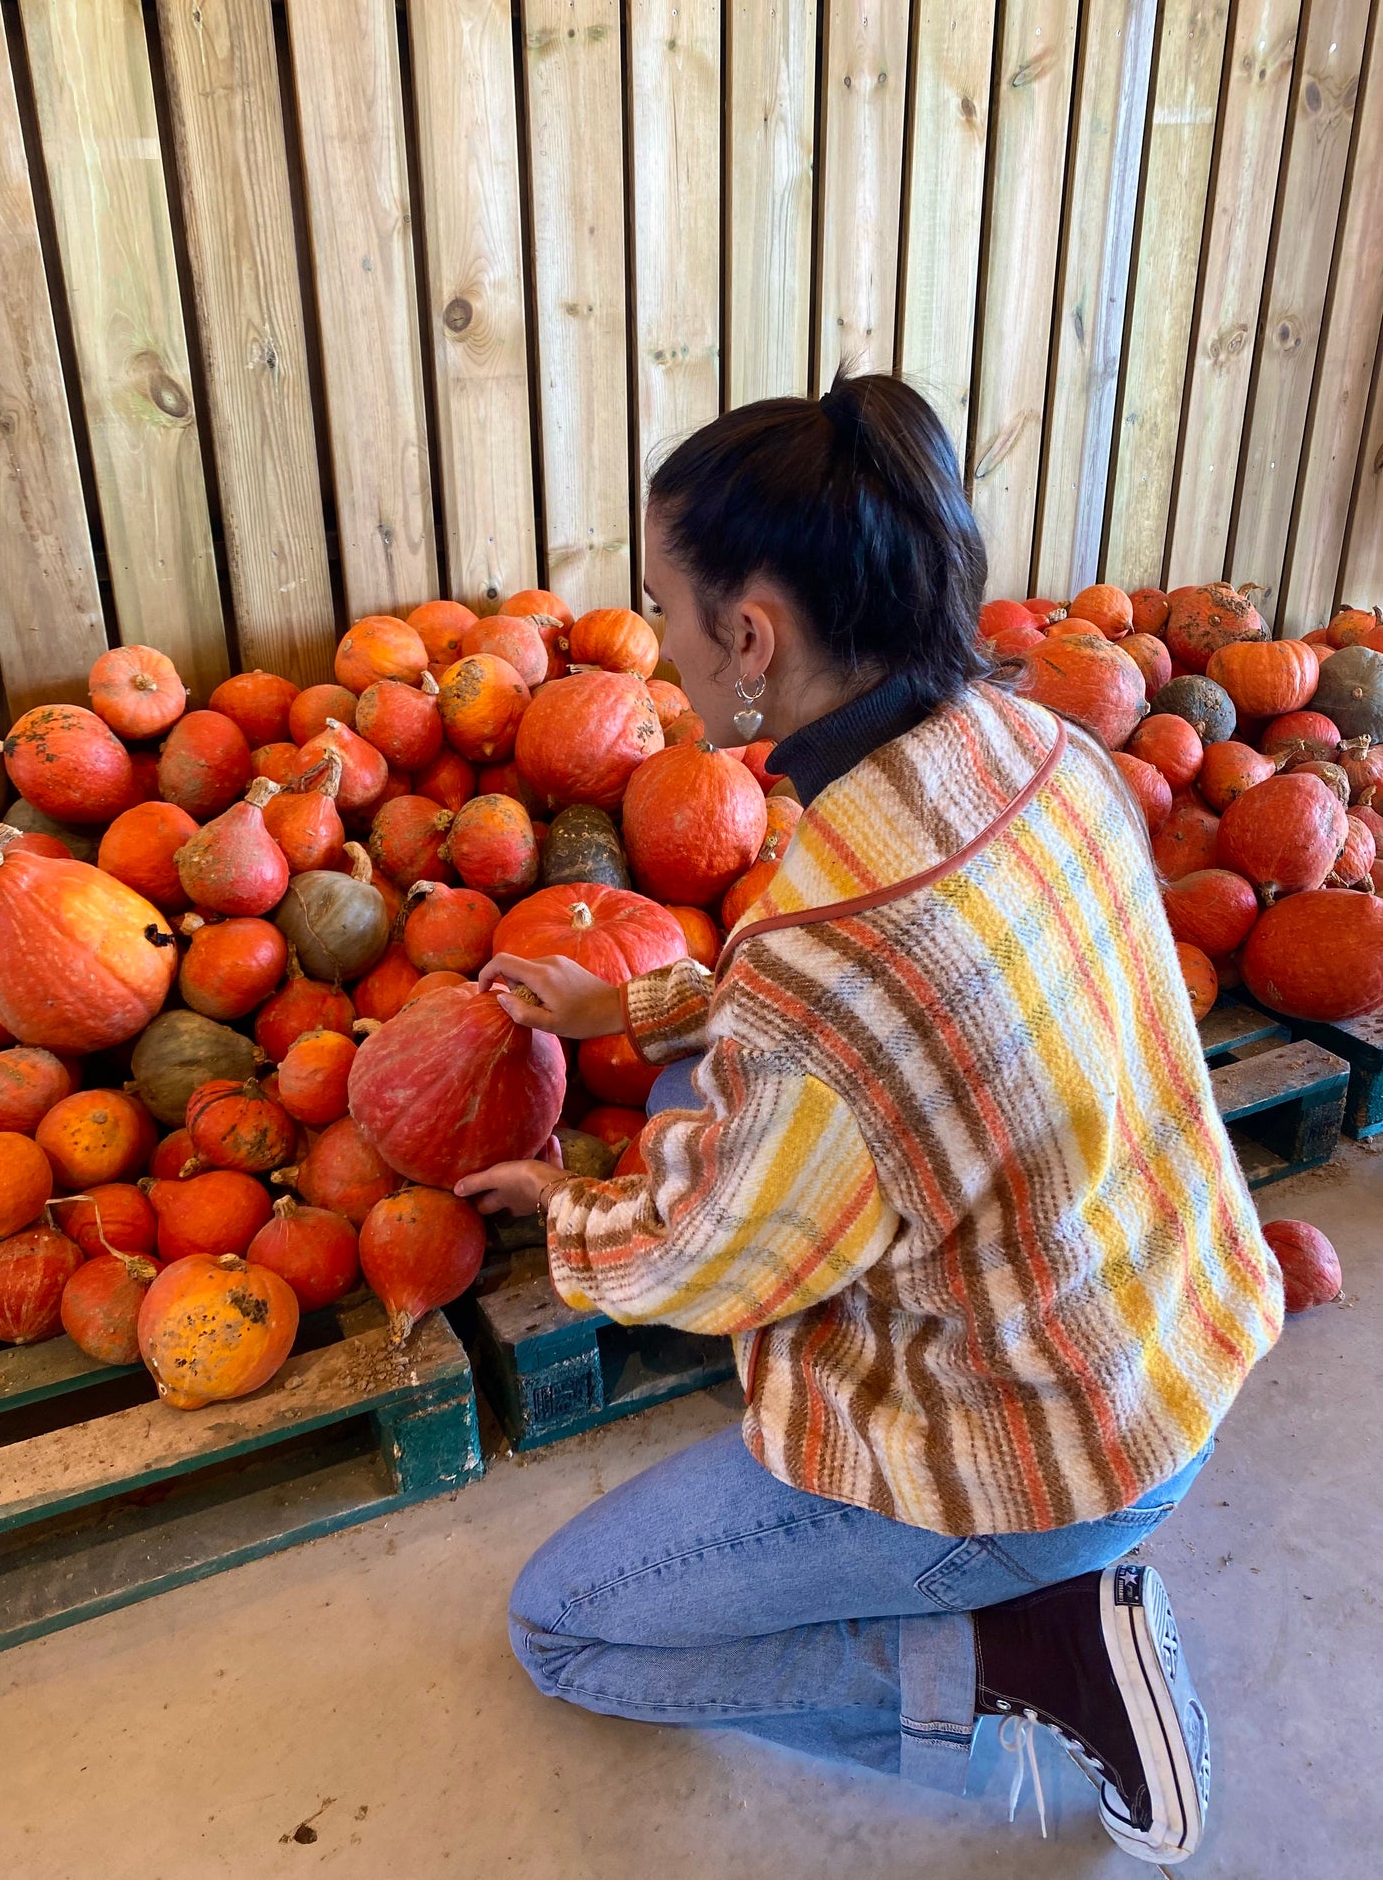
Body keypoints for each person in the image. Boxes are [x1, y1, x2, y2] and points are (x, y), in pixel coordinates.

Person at [454, 373, 1283, 1865]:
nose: (656, 644)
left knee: (565, 1633)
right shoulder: (1043, 750)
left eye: (665, 607)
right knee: (730, 1093)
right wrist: (638, 1014)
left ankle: (1026, 1662)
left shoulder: (820, 955)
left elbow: (711, 1266)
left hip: (1040, 1459)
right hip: (1167, 1347)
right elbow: (886, 1014)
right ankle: (1023, 1602)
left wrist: (567, 1220)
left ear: (752, 635)